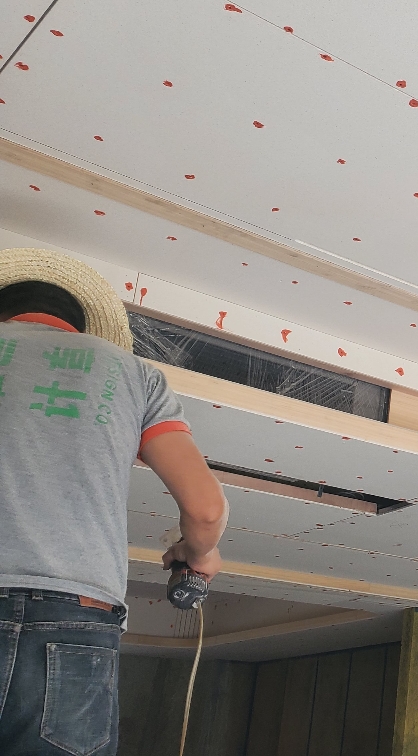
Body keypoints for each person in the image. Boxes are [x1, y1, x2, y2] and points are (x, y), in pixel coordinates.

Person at [0, 248, 228, 755]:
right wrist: (199, 553)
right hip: (73, 616)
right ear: (79, 327)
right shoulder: (134, 374)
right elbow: (206, 510)